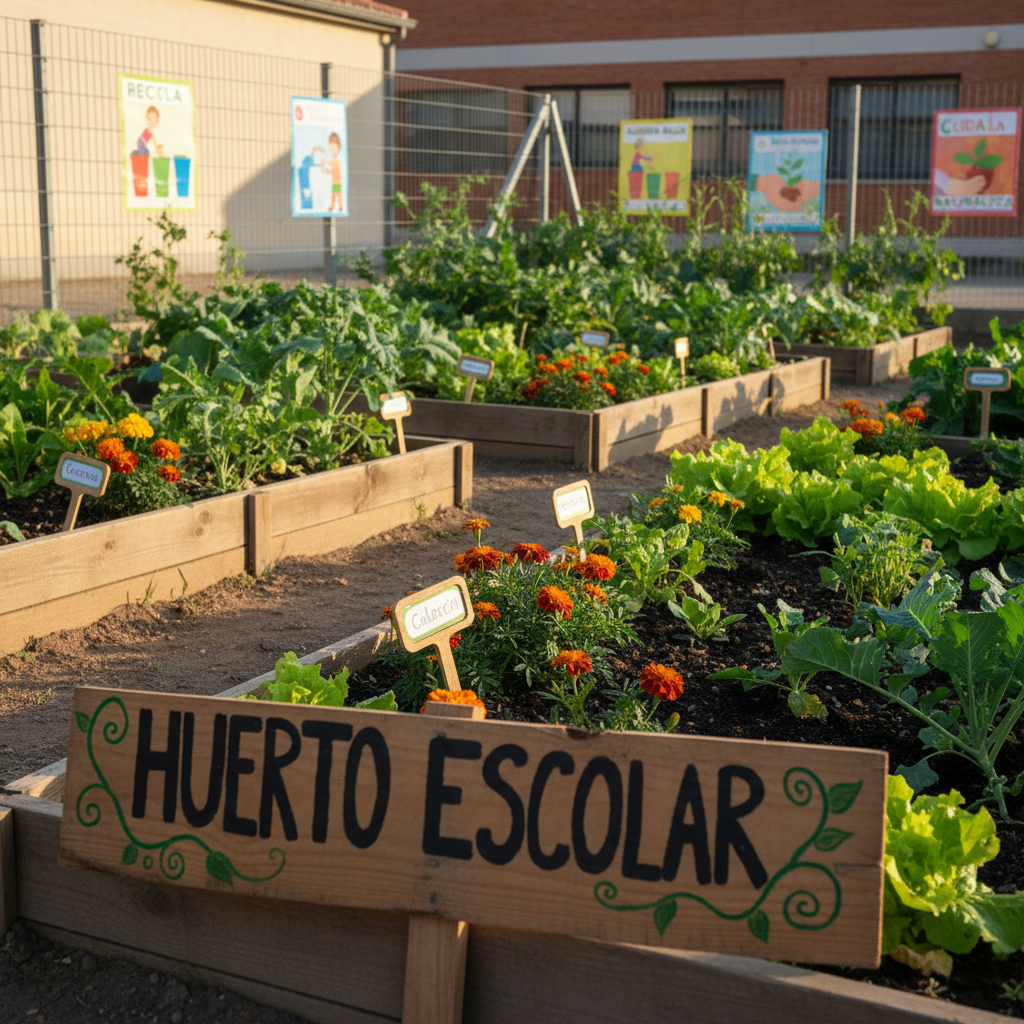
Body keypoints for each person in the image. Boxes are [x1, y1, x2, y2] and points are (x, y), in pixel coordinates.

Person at [321, 132, 344, 212]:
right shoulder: (335, 160)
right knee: (334, 194)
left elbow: (334, 170)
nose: (332, 151)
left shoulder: (338, 160)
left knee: (338, 194)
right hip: (335, 181)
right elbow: (329, 163)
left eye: (334, 148)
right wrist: (325, 163)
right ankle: (333, 206)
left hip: (338, 181)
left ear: (339, 148)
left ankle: (340, 206)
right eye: (331, 148)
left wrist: (326, 169)